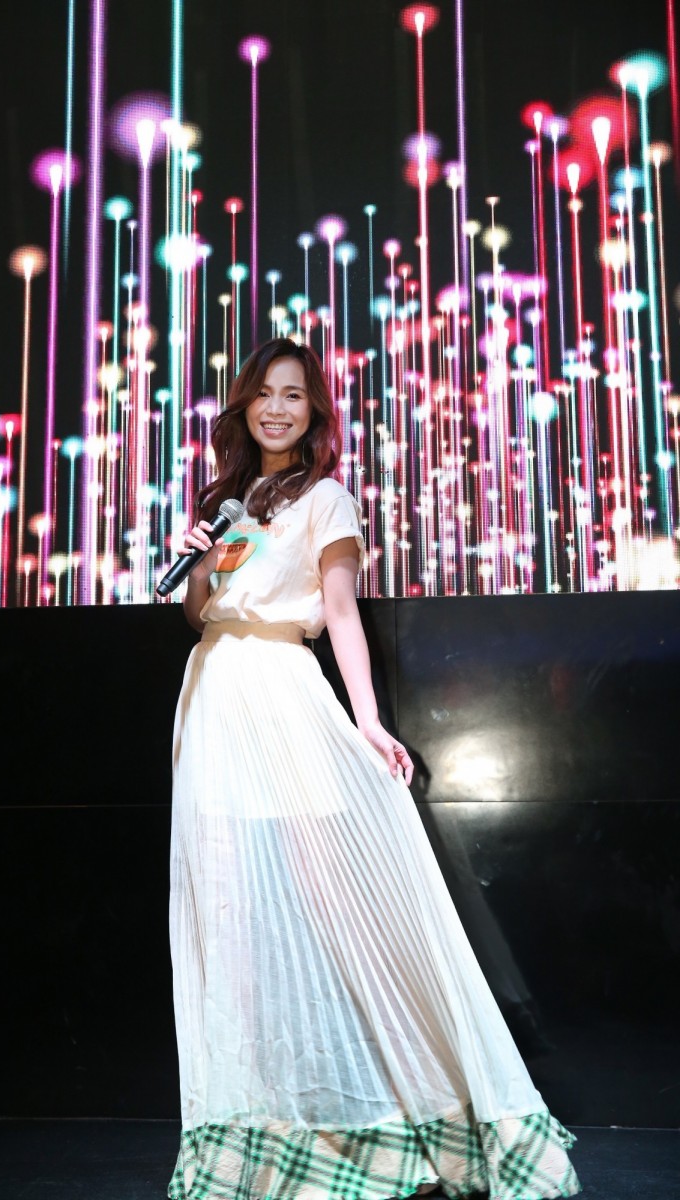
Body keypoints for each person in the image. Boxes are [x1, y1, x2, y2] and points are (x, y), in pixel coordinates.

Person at [167, 338, 580, 1200]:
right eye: (263, 394)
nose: (277, 408)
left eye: (293, 395)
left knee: (338, 903)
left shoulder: (327, 498)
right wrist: (199, 559)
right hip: (212, 699)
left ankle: (426, 1114)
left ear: (314, 412)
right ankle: (252, 1135)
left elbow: (343, 614)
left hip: (282, 691)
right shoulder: (227, 504)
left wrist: (366, 720)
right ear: (243, 406)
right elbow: (197, 612)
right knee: (229, 914)